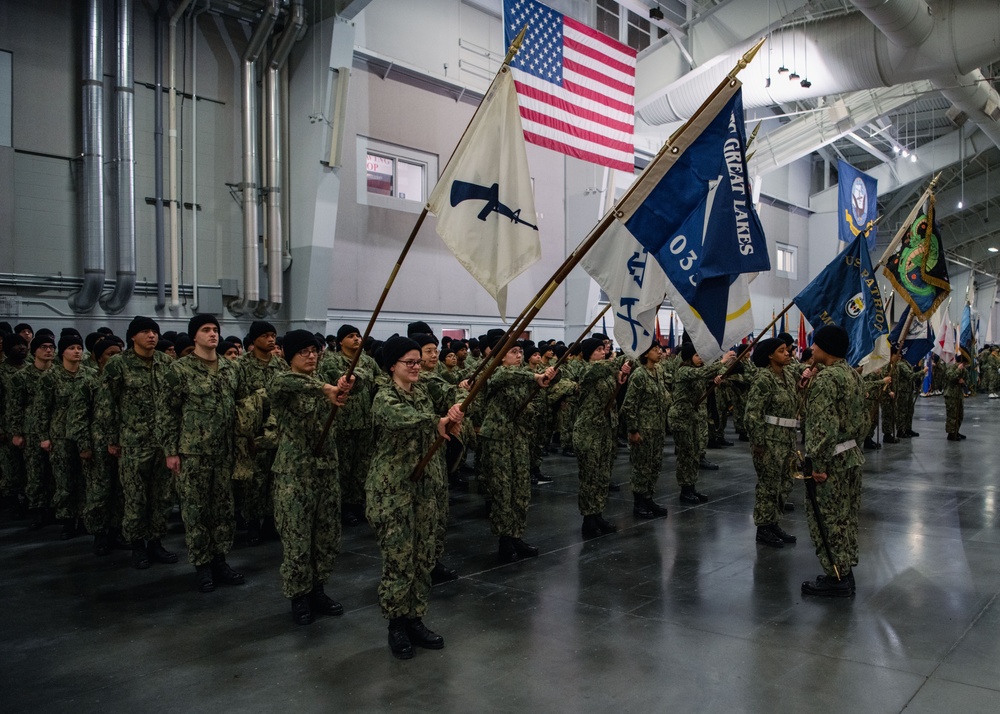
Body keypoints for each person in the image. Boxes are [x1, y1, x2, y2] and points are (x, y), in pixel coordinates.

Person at [367, 335, 464, 659]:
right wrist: (436, 421)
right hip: (393, 489)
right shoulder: (384, 397)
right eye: (409, 362)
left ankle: (415, 618)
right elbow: (402, 419)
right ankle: (396, 625)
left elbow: (451, 394)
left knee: (423, 557)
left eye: (417, 362)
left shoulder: (422, 391)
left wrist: (453, 411)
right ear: (391, 366)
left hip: (423, 487)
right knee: (399, 559)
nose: (415, 367)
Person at [270, 330, 354, 625]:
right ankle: (299, 595)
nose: (311, 356)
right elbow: (288, 383)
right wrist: (326, 388)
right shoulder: (282, 382)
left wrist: (341, 386)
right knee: (297, 537)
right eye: (303, 351)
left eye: (314, 351)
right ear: (289, 356)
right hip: (295, 472)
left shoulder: (323, 383)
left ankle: (318, 588)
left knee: (326, 535)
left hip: (326, 468)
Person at [157, 314, 245, 593]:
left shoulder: (231, 368)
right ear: (194, 336)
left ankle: (220, 559)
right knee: (196, 511)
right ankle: (202, 564)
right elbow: (167, 413)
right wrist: (171, 451)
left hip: (224, 452)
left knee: (223, 510)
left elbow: (240, 406)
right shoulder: (180, 370)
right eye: (206, 330)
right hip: (193, 453)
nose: (212, 334)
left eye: (215, 329)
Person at [101, 316, 178, 570]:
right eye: (145, 331)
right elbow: (107, 404)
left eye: (154, 331)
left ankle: (156, 542)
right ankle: (137, 546)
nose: (152, 336)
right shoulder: (118, 364)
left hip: (163, 443)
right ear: (133, 336)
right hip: (133, 443)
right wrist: (112, 439)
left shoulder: (166, 363)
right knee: (135, 497)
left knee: (162, 497)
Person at [802, 325, 869, 597]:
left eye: (816, 344)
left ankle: (836, 578)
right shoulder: (853, 375)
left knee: (827, 520)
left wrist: (818, 465)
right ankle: (845, 571)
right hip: (850, 455)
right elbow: (864, 420)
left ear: (826, 348)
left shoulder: (827, 379)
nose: (812, 348)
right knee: (846, 518)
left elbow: (823, 426)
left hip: (830, 460)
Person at [476, 342, 555, 562]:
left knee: (521, 489)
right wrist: (535, 377)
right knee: (503, 491)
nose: (519, 355)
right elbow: (505, 377)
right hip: (498, 439)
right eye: (513, 352)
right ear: (501, 356)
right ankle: (504, 539)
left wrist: (545, 378)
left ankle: (516, 534)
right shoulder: (495, 374)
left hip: (518, 438)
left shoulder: (523, 377)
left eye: (520, 352)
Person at [318, 323, 380, 528]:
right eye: (351, 336)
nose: (356, 339)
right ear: (341, 341)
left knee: (362, 466)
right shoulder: (331, 361)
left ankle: (357, 502)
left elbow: (379, 381)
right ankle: (343, 505)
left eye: (358, 336)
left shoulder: (368, 361)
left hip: (365, 422)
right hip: (342, 423)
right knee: (343, 467)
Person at [233, 320, 286, 546]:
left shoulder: (280, 365)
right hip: (253, 432)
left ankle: (271, 522)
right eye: (265, 336)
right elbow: (240, 400)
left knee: (275, 478)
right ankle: (253, 523)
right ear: (254, 340)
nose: (271, 339)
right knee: (254, 481)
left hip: (277, 430)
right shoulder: (241, 366)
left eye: (273, 335)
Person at [31, 332, 89, 539]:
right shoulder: (50, 377)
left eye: (79, 348)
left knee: (85, 479)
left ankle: (84, 518)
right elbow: (41, 409)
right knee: (64, 480)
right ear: (62, 352)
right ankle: (67, 520)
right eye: (71, 348)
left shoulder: (89, 375)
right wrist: (44, 436)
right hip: (60, 436)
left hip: (84, 435)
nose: (76, 352)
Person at [745, 338, 801, 548]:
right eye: (781, 350)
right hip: (769, 440)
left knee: (784, 483)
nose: (787, 353)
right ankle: (763, 528)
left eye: (787, 350)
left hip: (787, 439)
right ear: (769, 355)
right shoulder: (763, 379)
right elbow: (752, 414)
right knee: (768, 485)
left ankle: (773, 522)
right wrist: (759, 443)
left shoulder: (787, 375)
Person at [573, 337, 630, 538]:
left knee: (602, 476)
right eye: (598, 349)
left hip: (605, 430)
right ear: (588, 353)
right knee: (589, 477)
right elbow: (603, 368)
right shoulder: (587, 370)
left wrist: (619, 376)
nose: (603, 352)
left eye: (603, 349)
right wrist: (626, 358)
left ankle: (598, 513)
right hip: (589, 431)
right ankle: (588, 519)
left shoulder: (606, 371)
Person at [668, 343, 735, 504]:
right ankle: (685, 490)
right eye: (697, 355)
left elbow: (705, 377)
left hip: (692, 417)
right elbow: (701, 373)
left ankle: (691, 487)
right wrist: (722, 361)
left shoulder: (696, 371)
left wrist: (715, 381)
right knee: (686, 455)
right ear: (689, 357)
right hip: (680, 418)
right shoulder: (684, 370)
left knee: (694, 453)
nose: (700, 358)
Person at [9, 332, 57, 529]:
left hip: (55, 429)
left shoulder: (58, 374)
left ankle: (56, 509)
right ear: (34, 351)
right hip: (31, 431)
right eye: (43, 347)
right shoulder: (22, 377)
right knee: (35, 472)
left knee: (56, 472)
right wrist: (16, 432)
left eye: (51, 347)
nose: (48, 351)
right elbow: (15, 406)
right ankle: (38, 510)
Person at [620, 342, 670, 519]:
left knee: (655, 465)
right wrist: (633, 430)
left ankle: (649, 498)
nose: (659, 352)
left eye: (659, 350)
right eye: (655, 350)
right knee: (642, 466)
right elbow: (629, 405)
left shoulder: (659, 371)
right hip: (643, 429)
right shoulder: (639, 375)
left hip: (657, 428)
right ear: (645, 354)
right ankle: (639, 502)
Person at [944, 355, 967, 440]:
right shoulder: (951, 368)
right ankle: (951, 433)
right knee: (952, 415)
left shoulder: (964, 370)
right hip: (951, 395)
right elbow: (950, 377)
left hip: (959, 395)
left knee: (960, 415)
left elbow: (966, 380)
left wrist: (963, 382)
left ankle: (956, 431)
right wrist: (958, 369)